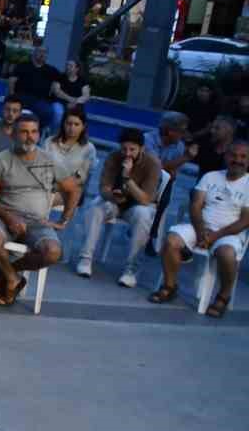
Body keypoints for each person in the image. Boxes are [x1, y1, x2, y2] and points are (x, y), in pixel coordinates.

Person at [0, 111, 81, 307]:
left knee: (53, 252)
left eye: (34, 132)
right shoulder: (0, 160)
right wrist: (9, 218)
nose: (30, 137)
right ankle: (13, 280)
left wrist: (64, 219)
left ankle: (6, 275)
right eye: (24, 132)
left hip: (37, 221)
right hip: (4, 216)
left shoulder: (49, 160)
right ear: (13, 134)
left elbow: (73, 190)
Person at [150, 141, 249, 317]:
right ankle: (170, 286)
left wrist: (214, 236)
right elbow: (195, 206)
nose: (237, 160)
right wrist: (202, 231)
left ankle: (223, 297)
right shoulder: (210, 177)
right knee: (172, 240)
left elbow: (244, 221)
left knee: (227, 254)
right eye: (233, 155)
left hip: (229, 233)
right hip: (200, 226)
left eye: (243, 157)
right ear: (226, 156)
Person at [76, 127, 160, 288]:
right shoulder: (113, 157)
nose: (127, 153)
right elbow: (103, 189)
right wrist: (112, 195)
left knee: (143, 215)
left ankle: (131, 270)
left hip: (137, 206)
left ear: (141, 148)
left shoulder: (152, 163)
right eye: (124, 149)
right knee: (95, 207)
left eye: (132, 149)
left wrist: (127, 178)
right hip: (115, 203)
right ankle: (85, 259)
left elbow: (145, 199)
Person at [41, 107, 95, 195]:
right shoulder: (49, 142)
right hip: (45, 187)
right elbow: (41, 167)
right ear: (63, 124)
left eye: (76, 124)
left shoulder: (89, 148)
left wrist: (56, 188)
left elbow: (80, 176)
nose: (72, 128)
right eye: (69, 123)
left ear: (83, 126)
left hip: (70, 192)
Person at [9, 46, 59, 121]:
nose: (42, 54)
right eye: (40, 51)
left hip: (41, 100)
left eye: (45, 52)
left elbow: (59, 84)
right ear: (34, 53)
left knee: (48, 112)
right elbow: (12, 81)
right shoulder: (23, 66)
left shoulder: (52, 70)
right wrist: (12, 96)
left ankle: (39, 130)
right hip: (22, 97)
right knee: (14, 112)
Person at [144, 111, 198, 181]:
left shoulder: (180, 145)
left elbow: (173, 175)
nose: (184, 134)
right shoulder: (147, 140)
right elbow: (154, 167)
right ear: (170, 132)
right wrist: (185, 157)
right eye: (182, 131)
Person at [47, 58, 91, 132]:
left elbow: (86, 96)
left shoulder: (82, 80)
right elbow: (56, 91)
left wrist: (75, 102)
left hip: (76, 105)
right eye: (67, 65)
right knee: (58, 112)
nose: (67, 67)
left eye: (70, 66)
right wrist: (71, 99)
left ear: (77, 69)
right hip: (59, 103)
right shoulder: (59, 77)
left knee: (78, 119)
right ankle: (53, 134)